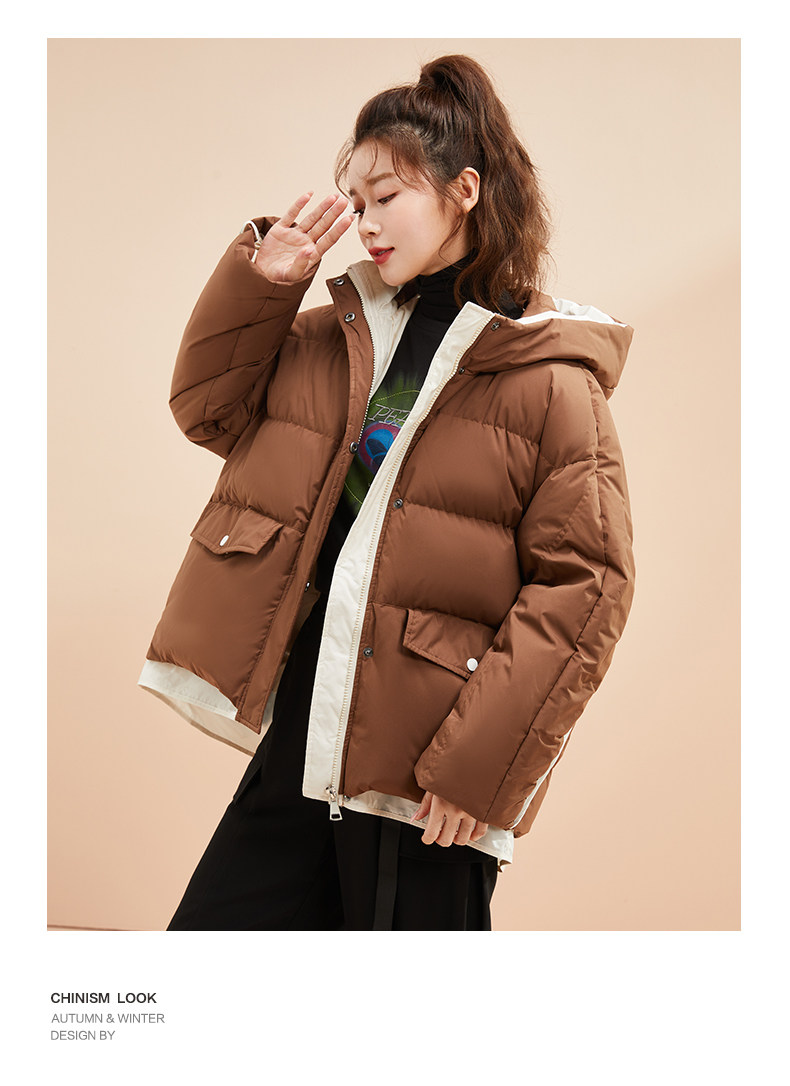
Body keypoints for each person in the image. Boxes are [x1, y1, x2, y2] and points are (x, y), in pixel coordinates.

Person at [138, 54, 636, 930]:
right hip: (310, 734)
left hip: (433, 775)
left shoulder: (552, 380)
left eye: (387, 197)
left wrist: (482, 768)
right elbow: (207, 411)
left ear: (464, 190)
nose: (365, 223)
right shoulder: (332, 339)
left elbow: (587, 587)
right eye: (355, 201)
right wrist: (265, 287)